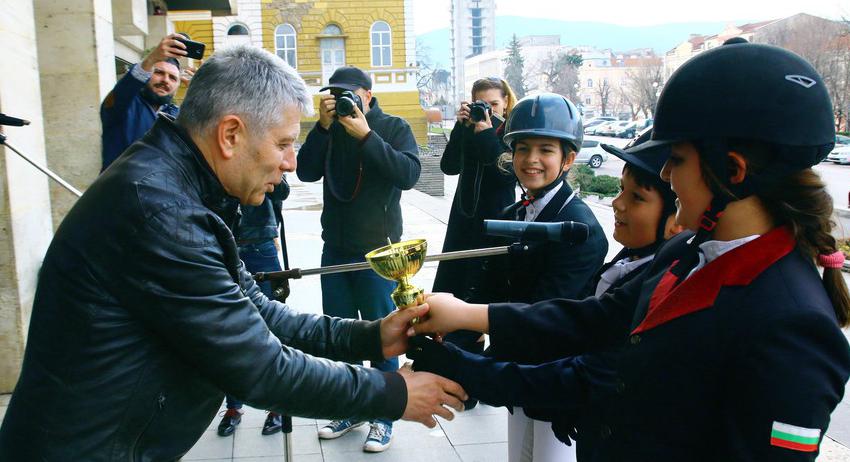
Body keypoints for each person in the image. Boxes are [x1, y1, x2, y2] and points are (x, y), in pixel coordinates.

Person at [0, 45, 466, 462]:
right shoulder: (161, 212)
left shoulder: (182, 186)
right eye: (283, 144)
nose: (290, 164)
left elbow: (254, 309)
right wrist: (391, 392)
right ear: (230, 135)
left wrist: (369, 337)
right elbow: (261, 370)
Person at [410, 39, 850, 460]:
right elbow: (594, 319)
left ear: (731, 171)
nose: (665, 174)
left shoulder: (793, 323)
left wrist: (466, 363)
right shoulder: (687, 251)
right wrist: (465, 317)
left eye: (675, 159)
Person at [409, 128, 681, 460]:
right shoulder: (633, 258)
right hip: (539, 384)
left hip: (552, 386)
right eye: (522, 149)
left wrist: (463, 363)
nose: (616, 202)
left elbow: (561, 324)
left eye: (637, 197)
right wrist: (459, 338)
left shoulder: (591, 237)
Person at [466, 93, 608, 462]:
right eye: (522, 148)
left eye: (545, 149)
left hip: (554, 378)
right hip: (520, 373)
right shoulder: (513, 213)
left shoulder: (580, 228)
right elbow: (492, 288)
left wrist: (474, 369)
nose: (531, 160)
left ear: (569, 158)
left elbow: (548, 310)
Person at [296, 65, 421, 452]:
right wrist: (320, 128)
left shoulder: (392, 125)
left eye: (349, 94)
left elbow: (409, 174)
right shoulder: (329, 129)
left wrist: (366, 136)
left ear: (368, 95)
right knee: (341, 336)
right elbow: (304, 171)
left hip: (379, 253)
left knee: (384, 335)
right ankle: (352, 406)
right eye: (335, 94)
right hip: (335, 248)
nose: (342, 101)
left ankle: (383, 415)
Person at [217, 178, 290, 437]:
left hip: (261, 244)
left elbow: (283, 190)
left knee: (275, 330)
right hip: (225, 244)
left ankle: (277, 406)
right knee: (229, 330)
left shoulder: (264, 143)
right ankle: (234, 407)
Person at [433, 77, 517, 303]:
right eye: (481, 105)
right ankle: (466, 336)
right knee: (456, 285)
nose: (488, 111)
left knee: (489, 289)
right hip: (464, 217)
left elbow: (507, 175)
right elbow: (448, 167)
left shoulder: (512, 132)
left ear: (506, 102)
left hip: (497, 218)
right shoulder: (468, 128)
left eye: (494, 105)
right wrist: (461, 129)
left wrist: (487, 134)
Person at [100, 33, 196, 172]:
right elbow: (124, 90)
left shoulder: (175, 114)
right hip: (120, 191)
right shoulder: (123, 106)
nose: (165, 80)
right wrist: (152, 59)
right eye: (158, 72)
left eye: (173, 78)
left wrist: (198, 89)